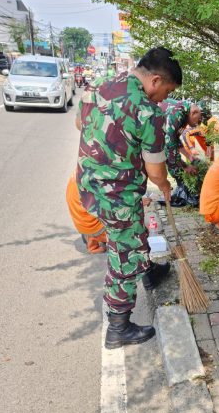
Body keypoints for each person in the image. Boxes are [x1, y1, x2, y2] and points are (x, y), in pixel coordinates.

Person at [77, 47, 181, 350]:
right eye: (167, 90)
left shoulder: (100, 84)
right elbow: (155, 169)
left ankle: (148, 273)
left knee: (134, 237)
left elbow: (78, 124)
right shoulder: (149, 111)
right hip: (116, 194)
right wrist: (164, 187)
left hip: (88, 182)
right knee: (124, 256)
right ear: (156, 80)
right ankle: (118, 328)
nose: (164, 98)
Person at [159, 99, 203, 207]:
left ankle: (184, 191)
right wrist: (185, 166)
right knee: (173, 163)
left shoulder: (185, 117)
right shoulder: (177, 114)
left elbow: (175, 139)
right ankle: (182, 193)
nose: (196, 124)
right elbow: (170, 146)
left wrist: (189, 156)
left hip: (165, 138)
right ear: (193, 113)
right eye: (197, 120)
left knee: (175, 160)